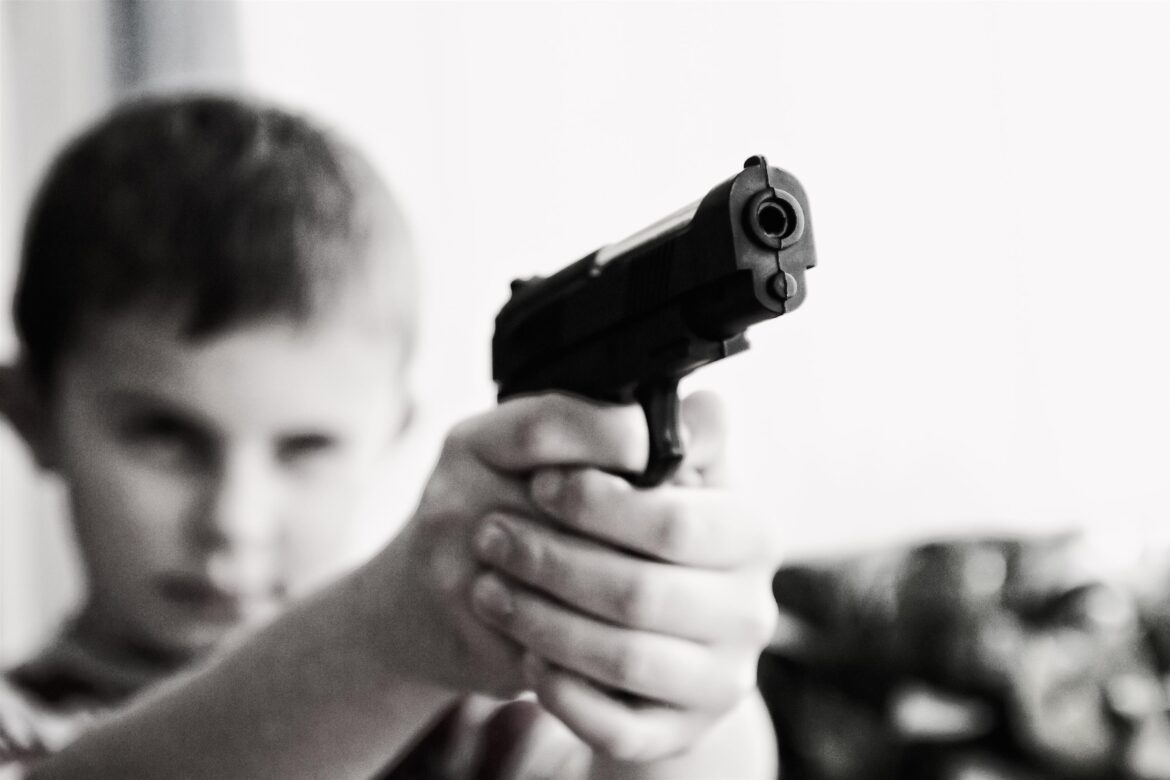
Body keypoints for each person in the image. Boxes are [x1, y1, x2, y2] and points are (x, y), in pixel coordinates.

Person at [0, 92, 780, 778]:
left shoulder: (476, 733)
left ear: (393, 434)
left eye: (306, 448)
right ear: (31, 414)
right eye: (165, 437)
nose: (234, 520)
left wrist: (684, 689)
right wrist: (389, 635)